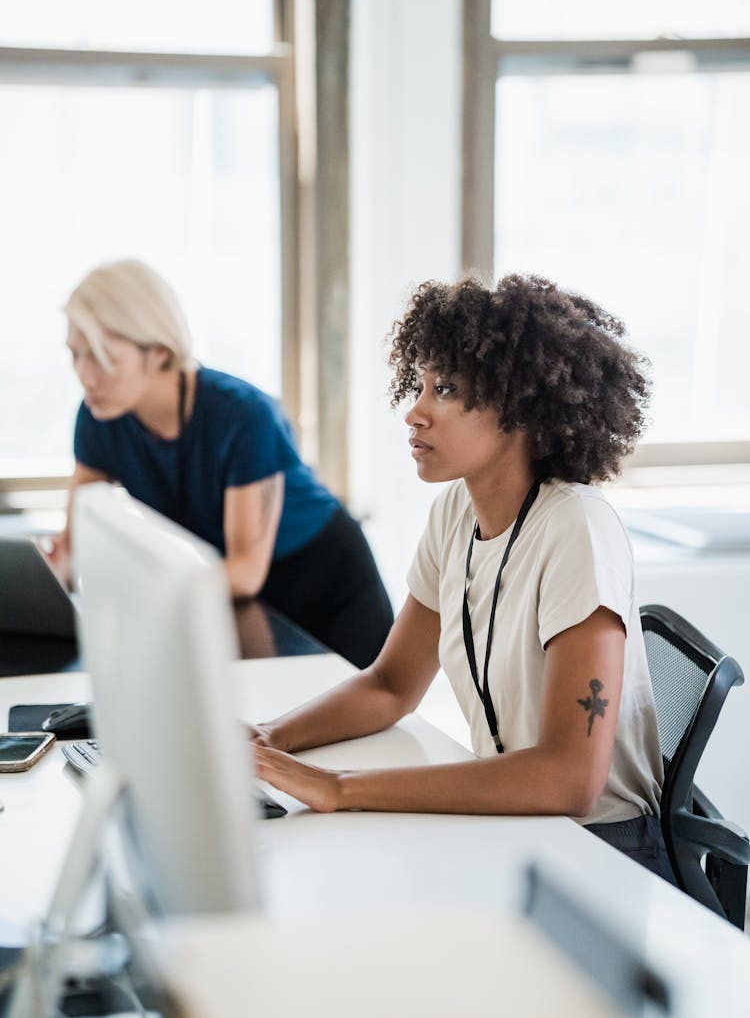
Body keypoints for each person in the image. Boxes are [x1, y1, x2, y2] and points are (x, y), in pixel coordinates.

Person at [250, 274, 675, 883]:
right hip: (517, 828)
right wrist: (269, 739)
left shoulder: (576, 529)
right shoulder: (456, 513)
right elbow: (392, 684)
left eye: (445, 389)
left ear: (520, 407)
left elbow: (571, 779)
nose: (414, 411)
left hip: (604, 855)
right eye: (418, 385)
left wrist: (338, 788)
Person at [48, 258, 393, 668]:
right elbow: (72, 548)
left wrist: (139, 591)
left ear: (158, 352)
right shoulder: (98, 417)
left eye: (103, 359)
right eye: (75, 356)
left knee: (360, 722)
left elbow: (245, 571)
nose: (85, 376)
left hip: (323, 581)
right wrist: (42, 578)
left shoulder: (243, 415)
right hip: (231, 597)